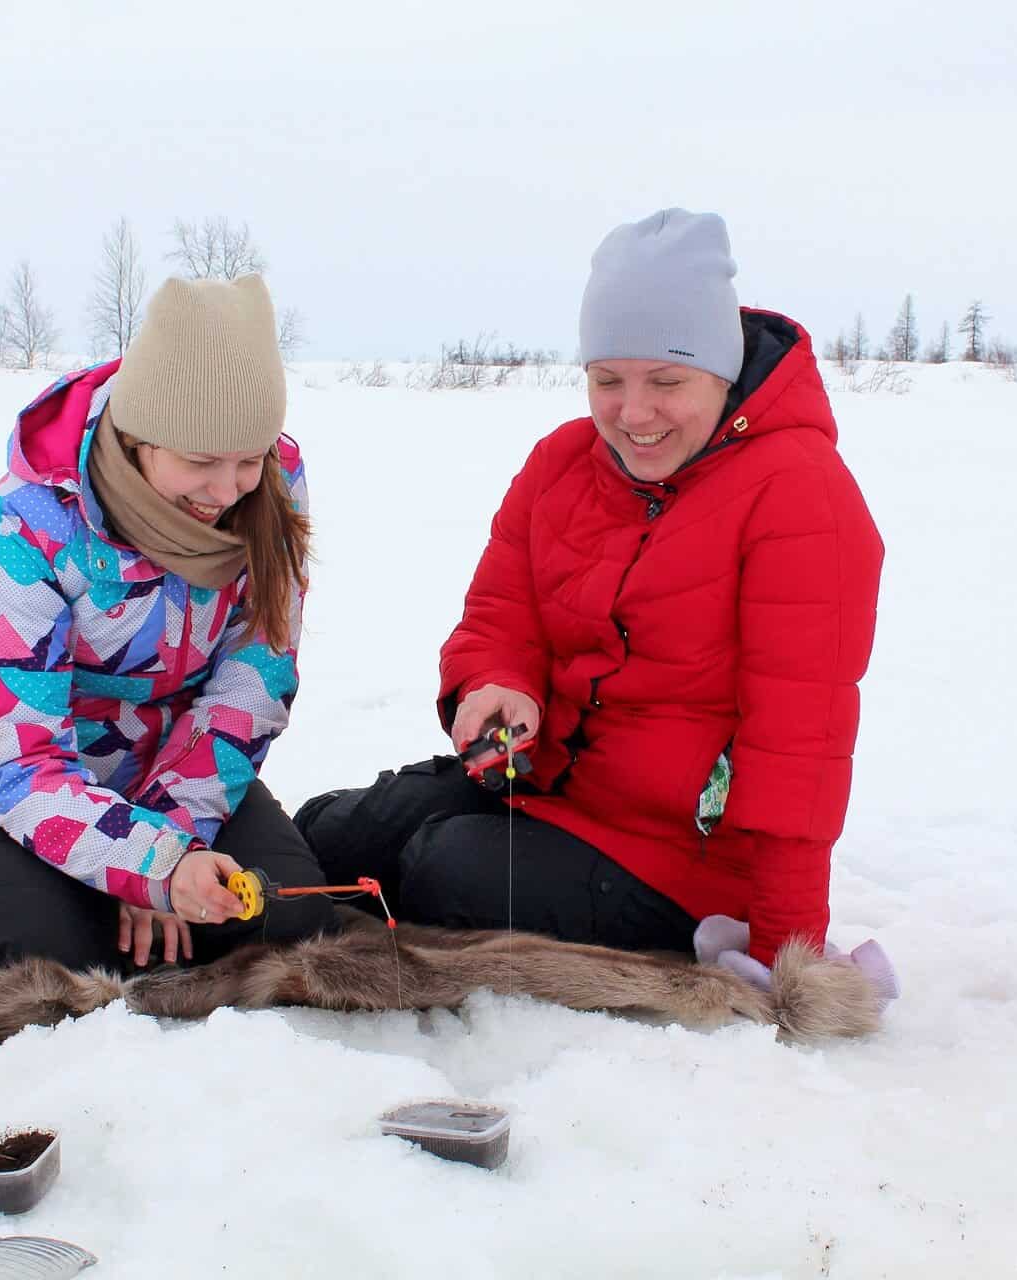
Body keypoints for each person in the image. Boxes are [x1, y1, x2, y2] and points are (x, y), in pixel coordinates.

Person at [295, 209, 895, 995]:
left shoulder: (800, 494)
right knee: (327, 834)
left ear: (723, 369)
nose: (634, 414)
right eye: (608, 380)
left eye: (667, 382)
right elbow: (499, 616)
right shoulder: (562, 463)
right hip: (546, 790)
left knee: (443, 872)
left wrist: (788, 955)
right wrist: (494, 686)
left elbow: (801, 746)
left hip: (684, 862)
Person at [0, 275, 335, 978]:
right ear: (138, 437)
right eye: (198, 462)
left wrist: (174, 843)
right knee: (32, 952)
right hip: (18, 771)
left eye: (247, 461)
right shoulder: (24, 524)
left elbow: (256, 675)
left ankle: (92, 884)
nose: (226, 493)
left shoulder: (275, 483)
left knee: (287, 919)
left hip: (177, 762)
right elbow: (20, 755)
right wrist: (151, 866)